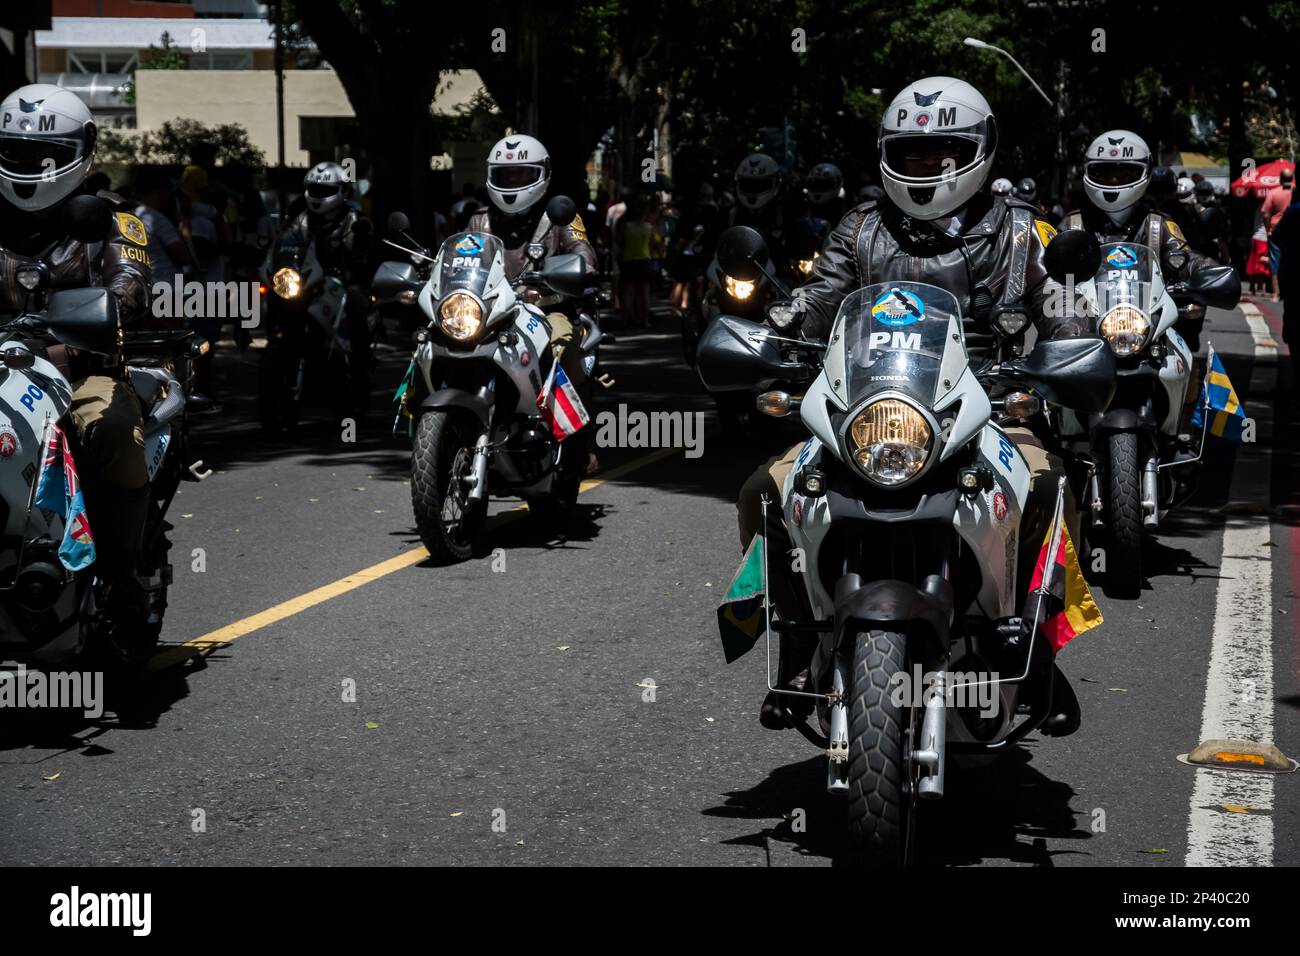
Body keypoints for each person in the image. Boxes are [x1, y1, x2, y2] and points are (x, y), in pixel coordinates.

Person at [737, 76, 1094, 738]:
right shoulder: (860, 229)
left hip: (992, 410)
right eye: (914, 154)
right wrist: (781, 323)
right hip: (869, 414)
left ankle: (1036, 652)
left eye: (945, 153)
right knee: (766, 489)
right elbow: (821, 302)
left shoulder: (1023, 234)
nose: (929, 168)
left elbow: (1062, 311)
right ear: (887, 156)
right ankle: (791, 649)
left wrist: (1070, 346)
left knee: (1052, 485)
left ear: (980, 151)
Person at [0, 83, 156, 629]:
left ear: (82, 152)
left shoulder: (113, 220)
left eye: (45, 156)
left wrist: (108, 304)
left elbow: (131, 282)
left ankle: (121, 575)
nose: (30, 167)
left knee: (110, 428)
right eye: (15, 154)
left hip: (81, 369)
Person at [466, 134, 598, 401]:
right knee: (435, 343)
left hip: (547, 310)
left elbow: (583, 253)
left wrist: (579, 268)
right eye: (507, 175)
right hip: (489, 316)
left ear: (543, 175)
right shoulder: (479, 221)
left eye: (521, 175)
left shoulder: (561, 217)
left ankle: (573, 434)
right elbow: (460, 257)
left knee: (562, 349)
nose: (513, 181)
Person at [1063, 130, 1217, 352]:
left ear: (1145, 172)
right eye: (1104, 173)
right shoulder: (1072, 224)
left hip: (1148, 327)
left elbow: (1184, 256)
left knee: (1185, 363)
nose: (1114, 180)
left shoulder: (1158, 224)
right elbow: (1042, 266)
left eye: (1124, 173)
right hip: (1082, 329)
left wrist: (1206, 269)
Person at [279, 161, 375, 418]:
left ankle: (359, 367)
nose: (319, 196)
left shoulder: (356, 221)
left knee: (357, 301)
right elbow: (284, 246)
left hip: (342, 282)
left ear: (344, 191)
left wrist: (354, 269)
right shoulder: (300, 218)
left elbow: (366, 256)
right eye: (314, 189)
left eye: (326, 190)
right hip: (307, 281)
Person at [1262, 167, 1294, 303]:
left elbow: (1265, 213)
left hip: (1277, 231)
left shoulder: (1274, 193)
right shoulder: (1296, 192)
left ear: (1280, 179)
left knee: (1275, 262)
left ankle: (1276, 293)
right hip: (1294, 231)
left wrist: (1268, 228)